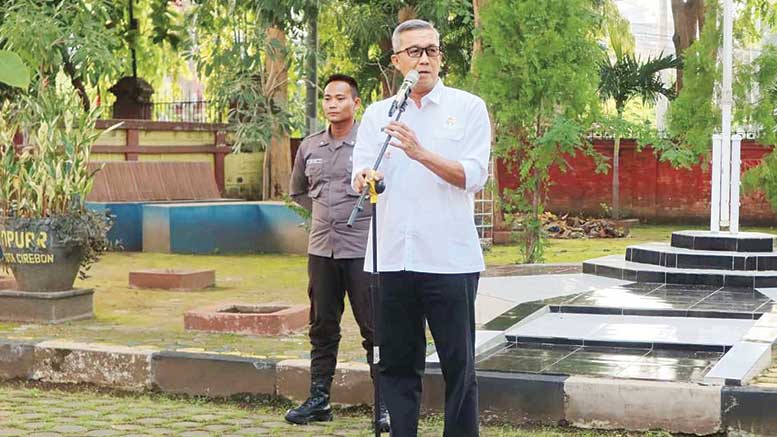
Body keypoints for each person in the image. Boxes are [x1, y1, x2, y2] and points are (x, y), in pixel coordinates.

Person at [351, 19, 490, 437]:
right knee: (396, 364)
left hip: (449, 259)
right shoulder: (377, 114)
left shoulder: (468, 107)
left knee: (458, 365)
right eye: (414, 52)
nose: (424, 59)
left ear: (440, 57)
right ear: (397, 61)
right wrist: (364, 179)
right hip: (392, 257)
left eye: (432, 50)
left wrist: (420, 152)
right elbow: (359, 171)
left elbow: (473, 176)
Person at [286, 74, 390, 431]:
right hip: (321, 250)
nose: (332, 104)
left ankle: (385, 406)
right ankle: (319, 400)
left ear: (355, 103)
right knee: (322, 327)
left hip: (362, 250)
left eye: (340, 98)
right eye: (328, 98)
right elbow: (299, 192)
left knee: (375, 329)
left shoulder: (371, 146)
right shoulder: (309, 146)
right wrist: (325, 215)